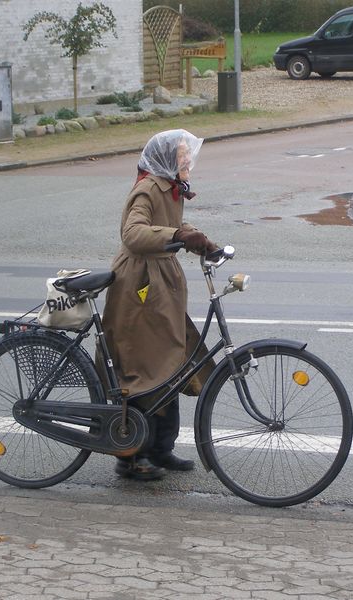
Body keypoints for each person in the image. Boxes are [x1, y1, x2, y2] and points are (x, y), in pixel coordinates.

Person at [101, 129, 218, 481]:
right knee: (144, 366)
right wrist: (178, 236)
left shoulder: (170, 189)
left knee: (171, 364)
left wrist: (201, 241)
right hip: (139, 288)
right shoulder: (148, 188)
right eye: (183, 156)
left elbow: (172, 224)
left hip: (159, 286)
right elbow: (133, 233)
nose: (188, 162)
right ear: (167, 160)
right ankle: (132, 457)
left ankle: (161, 449)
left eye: (187, 156)